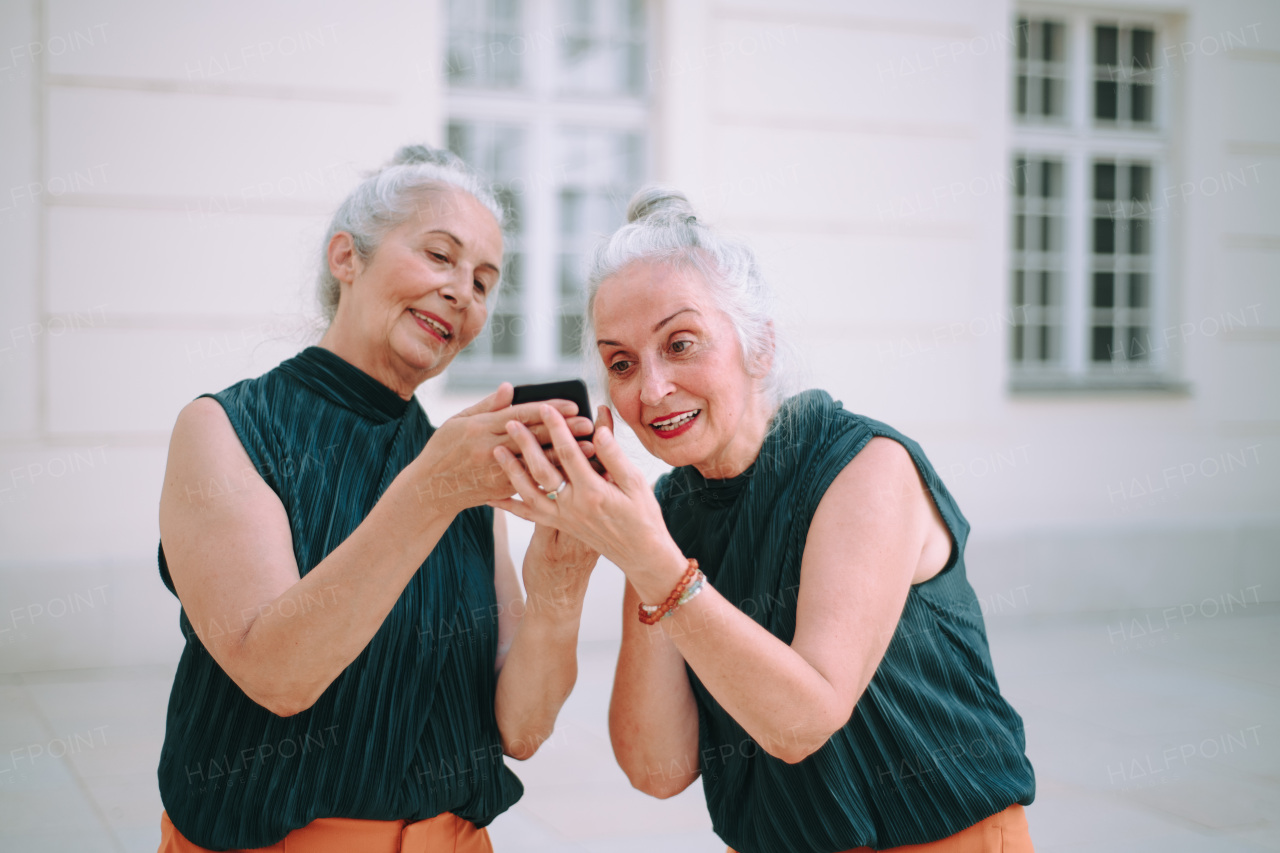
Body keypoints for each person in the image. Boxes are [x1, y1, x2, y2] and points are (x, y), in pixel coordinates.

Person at [490, 188, 1037, 853]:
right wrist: (636, 551)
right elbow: (656, 767)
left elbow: (803, 720)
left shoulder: (865, 467)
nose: (652, 388)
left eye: (681, 343)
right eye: (621, 363)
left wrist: (654, 561)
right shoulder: (669, 511)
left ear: (762, 345)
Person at [154, 145, 600, 852]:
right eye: (439, 256)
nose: (463, 291)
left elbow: (522, 728)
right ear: (345, 258)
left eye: (485, 281)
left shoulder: (459, 464)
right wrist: (433, 489)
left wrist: (561, 583)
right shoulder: (227, 429)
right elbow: (277, 674)